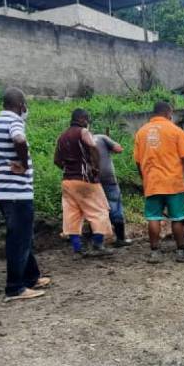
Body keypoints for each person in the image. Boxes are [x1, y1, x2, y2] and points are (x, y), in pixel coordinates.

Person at [0, 87, 51, 301]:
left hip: (2, 192)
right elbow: (19, 140)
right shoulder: (14, 121)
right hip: (18, 192)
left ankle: (32, 277)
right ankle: (14, 287)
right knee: (19, 239)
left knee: (22, 236)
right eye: (24, 105)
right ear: (20, 106)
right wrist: (23, 164)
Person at [133, 100, 184, 263]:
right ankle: (181, 252)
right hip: (173, 183)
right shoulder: (175, 131)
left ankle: (155, 252)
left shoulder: (141, 132)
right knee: (177, 218)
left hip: (152, 183)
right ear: (168, 113)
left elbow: (138, 162)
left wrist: (145, 179)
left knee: (153, 218)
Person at [53, 108, 114, 257]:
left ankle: (77, 248)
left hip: (68, 181)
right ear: (81, 119)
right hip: (85, 180)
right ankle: (98, 245)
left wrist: (68, 168)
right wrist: (95, 168)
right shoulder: (83, 132)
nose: (88, 122)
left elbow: (56, 161)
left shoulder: (62, 137)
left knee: (72, 214)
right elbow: (92, 146)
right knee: (100, 210)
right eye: (87, 119)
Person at [90, 122, 132, 246]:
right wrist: (111, 144)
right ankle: (120, 239)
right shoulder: (102, 137)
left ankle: (98, 241)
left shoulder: (80, 142)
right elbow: (118, 149)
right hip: (108, 178)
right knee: (115, 207)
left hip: (91, 180)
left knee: (96, 210)